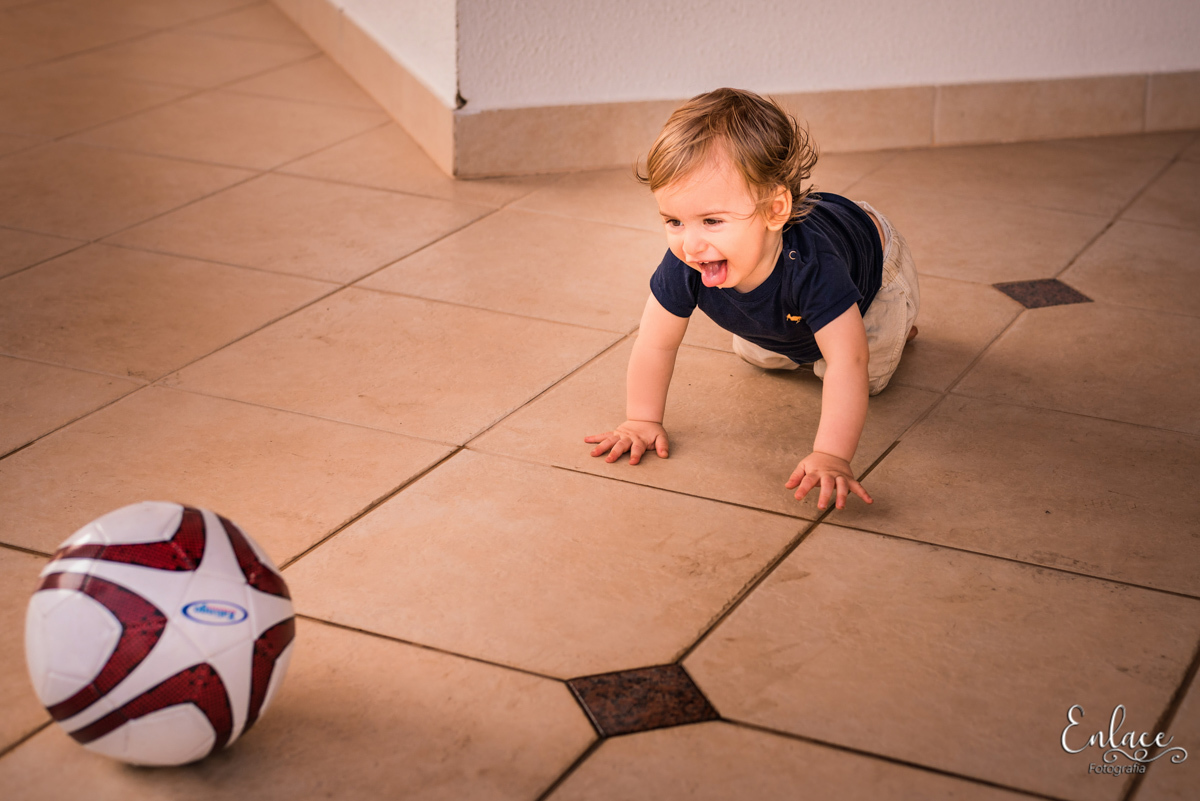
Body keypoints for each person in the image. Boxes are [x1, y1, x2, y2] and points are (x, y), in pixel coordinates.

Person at [584, 87, 919, 511]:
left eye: (712, 221)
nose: (691, 244)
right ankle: (813, 328)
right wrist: (641, 419)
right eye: (674, 221)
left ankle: (898, 323)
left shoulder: (814, 267)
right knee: (761, 355)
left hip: (875, 264)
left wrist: (831, 455)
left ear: (775, 210)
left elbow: (848, 364)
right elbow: (655, 342)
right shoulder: (688, 262)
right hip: (791, 298)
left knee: (863, 371)